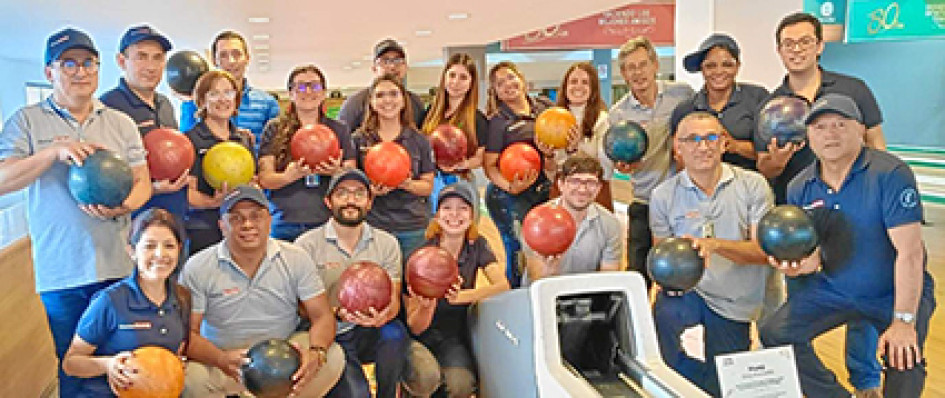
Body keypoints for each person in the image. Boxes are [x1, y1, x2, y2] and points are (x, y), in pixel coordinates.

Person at [0, 27, 152, 396]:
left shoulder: (121, 123)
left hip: (117, 265)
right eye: (69, 63)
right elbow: (3, 179)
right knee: (72, 366)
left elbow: (142, 182)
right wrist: (53, 153)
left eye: (88, 63)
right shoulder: (27, 121)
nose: (80, 71)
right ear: (50, 71)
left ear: (98, 70)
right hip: (60, 272)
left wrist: (124, 206)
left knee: (124, 364)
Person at [759, 94, 935, 398]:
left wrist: (904, 321)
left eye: (841, 124)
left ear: (860, 130)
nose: (830, 133)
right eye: (821, 127)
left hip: (889, 292)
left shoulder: (890, 174)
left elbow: (910, 253)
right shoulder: (800, 186)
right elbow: (814, 254)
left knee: (904, 357)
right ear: (809, 137)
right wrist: (799, 264)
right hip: (834, 290)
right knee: (776, 333)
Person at [759, 13, 887, 395]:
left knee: (862, 303)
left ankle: (866, 383)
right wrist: (777, 162)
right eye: (788, 44)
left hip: (856, 213)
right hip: (802, 219)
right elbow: (766, 167)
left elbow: (878, 144)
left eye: (803, 42)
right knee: (802, 307)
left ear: (819, 45)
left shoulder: (854, 89)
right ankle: (819, 387)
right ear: (779, 51)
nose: (796, 50)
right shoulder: (772, 103)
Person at [649, 112, 776, 397]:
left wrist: (716, 245)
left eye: (710, 138)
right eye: (692, 139)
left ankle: (711, 383)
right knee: (662, 347)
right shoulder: (662, 195)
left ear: (723, 143)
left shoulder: (753, 185)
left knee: (725, 382)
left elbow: (763, 252)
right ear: (677, 148)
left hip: (735, 299)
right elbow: (663, 262)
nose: (702, 146)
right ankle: (697, 382)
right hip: (690, 294)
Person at [180, 185, 344, 397]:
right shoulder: (198, 266)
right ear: (222, 226)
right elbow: (188, 334)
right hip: (224, 361)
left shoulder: (296, 257)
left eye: (256, 216)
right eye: (236, 218)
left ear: (269, 220)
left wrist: (316, 352)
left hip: (282, 360)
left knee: (333, 356)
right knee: (191, 379)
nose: (247, 225)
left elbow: (322, 316)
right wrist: (220, 359)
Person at [294, 169, 410, 398]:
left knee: (395, 335)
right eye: (342, 193)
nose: (350, 200)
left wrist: (384, 315)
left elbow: (395, 297)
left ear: (369, 202)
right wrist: (335, 314)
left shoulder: (387, 243)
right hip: (334, 332)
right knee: (358, 395)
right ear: (328, 201)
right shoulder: (306, 245)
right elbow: (299, 306)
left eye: (359, 194)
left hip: (373, 327)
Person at [62, 209, 190, 396]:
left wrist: (174, 368)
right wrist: (108, 365)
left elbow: (175, 352)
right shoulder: (109, 301)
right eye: (149, 246)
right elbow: (71, 363)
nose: (160, 254)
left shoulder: (182, 298)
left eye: (169, 246)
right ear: (132, 251)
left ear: (179, 249)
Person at [403, 181, 510, 397]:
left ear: (472, 215)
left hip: (453, 336)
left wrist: (463, 297)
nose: (454, 214)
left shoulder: (477, 245)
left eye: (462, 208)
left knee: (460, 385)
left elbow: (502, 286)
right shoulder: (419, 254)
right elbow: (414, 326)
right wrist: (427, 307)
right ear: (436, 215)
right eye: (447, 208)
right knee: (426, 378)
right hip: (418, 336)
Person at [609, 36, 694, 290]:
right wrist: (623, 166)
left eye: (642, 64)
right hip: (645, 200)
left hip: (683, 196)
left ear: (655, 65)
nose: (638, 73)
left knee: (686, 265)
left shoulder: (682, 94)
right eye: (631, 68)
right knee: (637, 273)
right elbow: (618, 159)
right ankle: (636, 325)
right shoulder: (619, 113)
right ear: (624, 74)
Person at [99, 25, 190, 223]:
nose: (151, 67)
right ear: (121, 61)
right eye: (141, 56)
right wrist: (152, 188)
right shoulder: (107, 107)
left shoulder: (165, 104)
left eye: (157, 58)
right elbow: (105, 176)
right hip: (135, 223)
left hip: (175, 218)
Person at [258, 64, 356, 241]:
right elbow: (265, 179)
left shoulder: (339, 129)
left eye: (315, 86)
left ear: (324, 92)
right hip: (284, 222)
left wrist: (336, 172)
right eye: (301, 86)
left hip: (328, 222)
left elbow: (352, 175)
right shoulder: (274, 128)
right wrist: (288, 177)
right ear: (291, 93)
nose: (308, 91)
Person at [482, 61, 556, 288]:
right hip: (508, 197)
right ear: (495, 92)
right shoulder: (498, 121)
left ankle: (541, 294)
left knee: (545, 247)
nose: (508, 85)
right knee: (517, 250)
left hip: (541, 190)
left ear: (522, 79)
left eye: (510, 78)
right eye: (500, 83)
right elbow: (489, 165)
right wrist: (510, 187)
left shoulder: (544, 106)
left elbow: (556, 143)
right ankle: (515, 298)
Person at [351, 74, 435, 262]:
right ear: (371, 102)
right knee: (376, 286)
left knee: (411, 286)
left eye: (393, 94)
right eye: (380, 95)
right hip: (373, 225)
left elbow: (427, 186)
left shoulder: (419, 140)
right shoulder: (359, 140)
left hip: (412, 226)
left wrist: (407, 184)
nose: (387, 100)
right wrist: (370, 191)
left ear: (403, 101)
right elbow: (351, 183)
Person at [670, 33, 769, 171]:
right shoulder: (685, 110)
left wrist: (735, 145)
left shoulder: (757, 97)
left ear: (738, 66)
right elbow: (679, 161)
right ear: (701, 69)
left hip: (748, 187)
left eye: (727, 65)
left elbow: (770, 153)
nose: (719, 71)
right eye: (710, 66)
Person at [183, 70, 255, 255]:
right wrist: (212, 202)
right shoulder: (190, 141)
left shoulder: (243, 139)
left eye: (228, 92)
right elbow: (187, 193)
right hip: (203, 229)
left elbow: (252, 180)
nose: (222, 99)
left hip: (239, 227)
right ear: (202, 101)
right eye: (214, 94)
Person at [524, 154, 621, 284]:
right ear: (561, 184)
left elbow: (609, 278)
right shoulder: (537, 220)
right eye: (575, 181)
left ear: (599, 188)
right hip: (543, 295)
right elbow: (536, 277)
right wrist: (549, 272)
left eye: (591, 183)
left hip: (585, 296)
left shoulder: (610, 224)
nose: (582, 189)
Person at [179, 30, 279, 148]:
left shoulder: (268, 103)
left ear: (247, 58)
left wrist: (242, 140)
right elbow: (186, 145)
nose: (231, 61)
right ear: (214, 61)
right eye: (223, 55)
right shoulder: (195, 103)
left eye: (236, 54)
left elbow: (273, 150)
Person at [419, 53, 488, 211]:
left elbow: (480, 157)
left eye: (463, 77)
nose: (456, 82)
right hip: (431, 182)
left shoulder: (477, 118)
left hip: (461, 182)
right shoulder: (430, 113)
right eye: (452, 75)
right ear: (444, 77)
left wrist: (463, 164)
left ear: (471, 83)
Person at [553, 62, 615, 210]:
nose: (578, 87)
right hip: (562, 191)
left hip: (595, 192)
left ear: (593, 89)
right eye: (573, 81)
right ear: (565, 87)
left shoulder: (602, 119)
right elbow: (553, 169)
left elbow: (606, 170)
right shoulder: (553, 118)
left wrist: (576, 151)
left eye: (585, 82)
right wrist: (547, 155)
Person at [338, 38, 425, 131]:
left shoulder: (416, 102)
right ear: (374, 69)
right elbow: (342, 139)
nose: (392, 66)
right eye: (385, 61)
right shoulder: (355, 103)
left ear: (406, 67)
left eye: (398, 60)